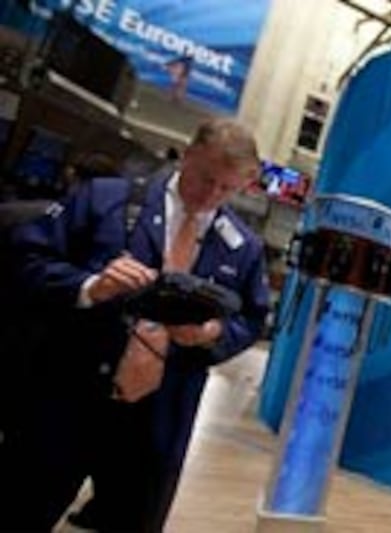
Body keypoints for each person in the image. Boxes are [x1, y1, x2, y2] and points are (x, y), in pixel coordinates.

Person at [1, 119, 270, 532]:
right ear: (188, 152)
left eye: (227, 189)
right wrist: (91, 286)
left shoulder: (242, 247)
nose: (211, 196)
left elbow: (251, 318)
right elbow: (29, 260)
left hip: (156, 423)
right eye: (205, 179)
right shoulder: (105, 199)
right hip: (68, 399)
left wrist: (212, 334)